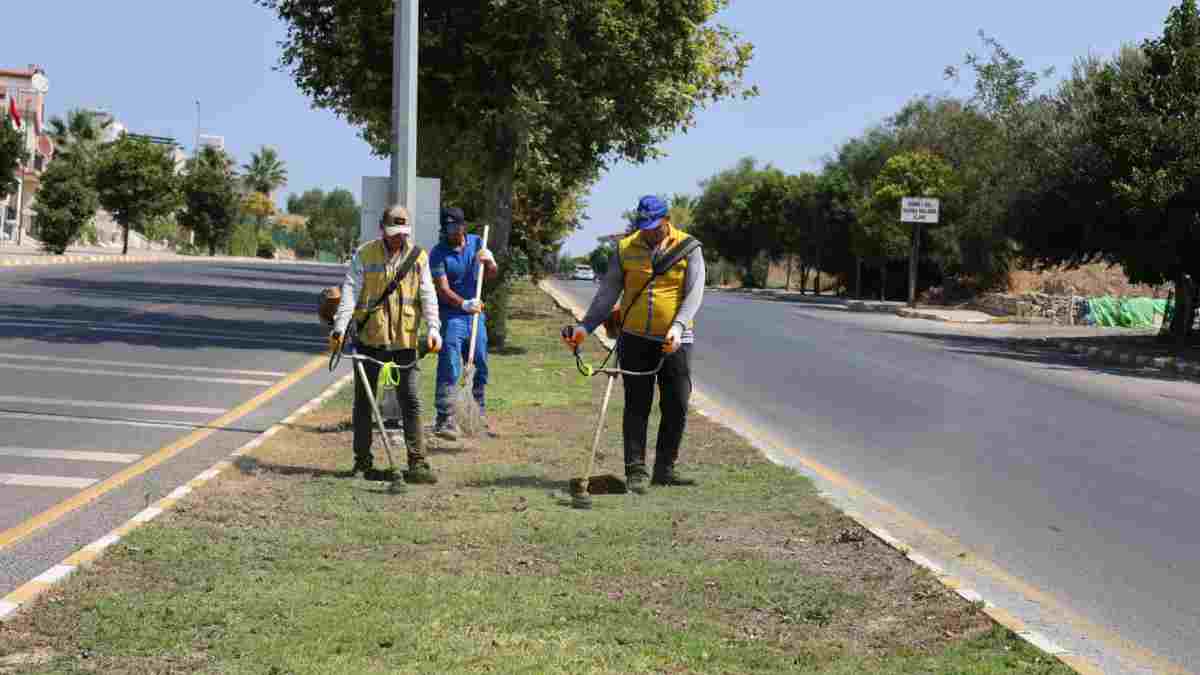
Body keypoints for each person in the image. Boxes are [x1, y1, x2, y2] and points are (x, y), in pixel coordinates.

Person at [563, 195, 705, 494]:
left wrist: (678, 327)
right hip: (635, 339)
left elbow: (694, 294)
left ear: (667, 220)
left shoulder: (689, 247)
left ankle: (665, 469)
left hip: (675, 339)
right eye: (644, 226)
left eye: (654, 226)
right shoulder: (626, 248)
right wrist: (584, 327)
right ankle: (636, 470)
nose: (649, 232)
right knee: (637, 405)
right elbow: (607, 294)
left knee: (676, 404)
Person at [329, 204, 443, 483]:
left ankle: (417, 463)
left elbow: (428, 296)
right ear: (382, 229)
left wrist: (434, 329)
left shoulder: (419, 257)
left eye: (402, 233)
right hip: (370, 338)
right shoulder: (365, 254)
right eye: (393, 232)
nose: (398, 238)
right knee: (364, 403)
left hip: (404, 340)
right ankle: (362, 462)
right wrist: (340, 328)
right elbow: (350, 291)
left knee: (411, 401)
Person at [429, 207, 499, 439]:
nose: (453, 231)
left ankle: (477, 414)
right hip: (451, 314)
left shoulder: (478, 242)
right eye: (448, 227)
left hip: (476, 315)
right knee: (450, 363)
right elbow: (442, 288)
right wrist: (463, 304)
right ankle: (445, 417)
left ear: (463, 226)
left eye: (456, 226)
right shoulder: (438, 253)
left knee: (479, 361)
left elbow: (491, 274)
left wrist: (489, 262)